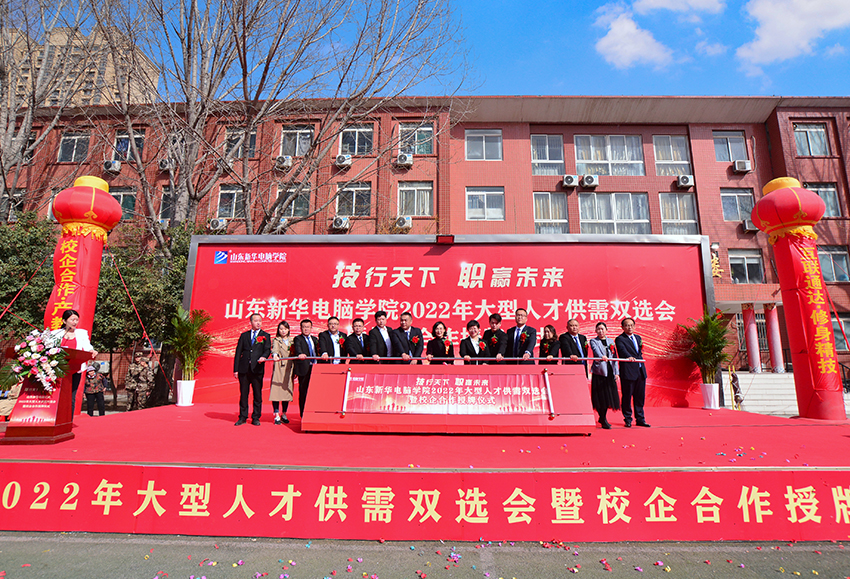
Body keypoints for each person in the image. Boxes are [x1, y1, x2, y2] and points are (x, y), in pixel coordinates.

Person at [51, 309, 98, 416]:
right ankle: (55, 418)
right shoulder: (55, 334)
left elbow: (87, 346)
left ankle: (69, 420)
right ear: (64, 321)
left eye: (76, 320)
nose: (75, 322)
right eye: (72, 320)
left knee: (71, 397)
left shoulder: (81, 333)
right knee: (58, 397)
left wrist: (91, 350)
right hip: (58, 370)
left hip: (75, 370)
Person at [233, 313, 271, 426]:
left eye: (260, 321)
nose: (258, 323)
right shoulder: (244, 335)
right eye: (256, 320)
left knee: (257, 395)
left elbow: (267, 350)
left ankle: (256, 417)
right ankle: (242, 417)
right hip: (244, 369)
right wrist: (236, 369)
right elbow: (238, 352)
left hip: (257, 369)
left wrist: (264, 357)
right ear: (251, 322)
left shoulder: (265, 335)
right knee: (244, 394)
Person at [615, 317, 650, 428]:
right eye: (627, 325)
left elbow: (639, 352)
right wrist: (628, 356)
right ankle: (628, 419)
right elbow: (622, 351)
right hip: (628, 371)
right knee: (627, 396)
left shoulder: (638, 338)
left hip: (640, 370)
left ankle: (640, 419)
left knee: (640, 396)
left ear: (634, 326)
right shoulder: (620, 339)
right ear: (622, 327)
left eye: (631, 325)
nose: (629, 327)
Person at [589, 322, 620, 430]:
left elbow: (614, 357)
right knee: (600, 397)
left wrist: (616, 373)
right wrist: (602, 356)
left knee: (608, 397)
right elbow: (596, 351)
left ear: (606, 330)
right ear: (596, 331)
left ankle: (603, 417)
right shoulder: (594, 341)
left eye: (602, 329)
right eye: (598, 329)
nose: (600, 331)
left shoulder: (611, 341)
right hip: (600, 372)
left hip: (610, 371)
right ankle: (602, 418)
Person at [293, 318, 320, 418]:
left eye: (308, 327)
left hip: (315, 368)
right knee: (303, 392)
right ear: (301, 328)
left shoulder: (315, 339)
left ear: (311, 328)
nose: (306, 329)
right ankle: (303, 414)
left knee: (315, 392)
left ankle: (313, 413)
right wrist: (300, 353)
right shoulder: (298, 339)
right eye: (304, 327)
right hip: (304, 368)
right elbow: (298, 348)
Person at [269, 321, 295, 425]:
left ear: (288, 330)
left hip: (289, 367)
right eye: (281, 329)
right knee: (276, 391)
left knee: (286, 392)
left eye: (285, 329)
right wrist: (275, 355)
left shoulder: (292, 340)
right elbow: (275, 349)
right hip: (279, 367)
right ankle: (276, 414)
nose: (283, 331)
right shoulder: (276, 340)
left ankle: (284, 413)